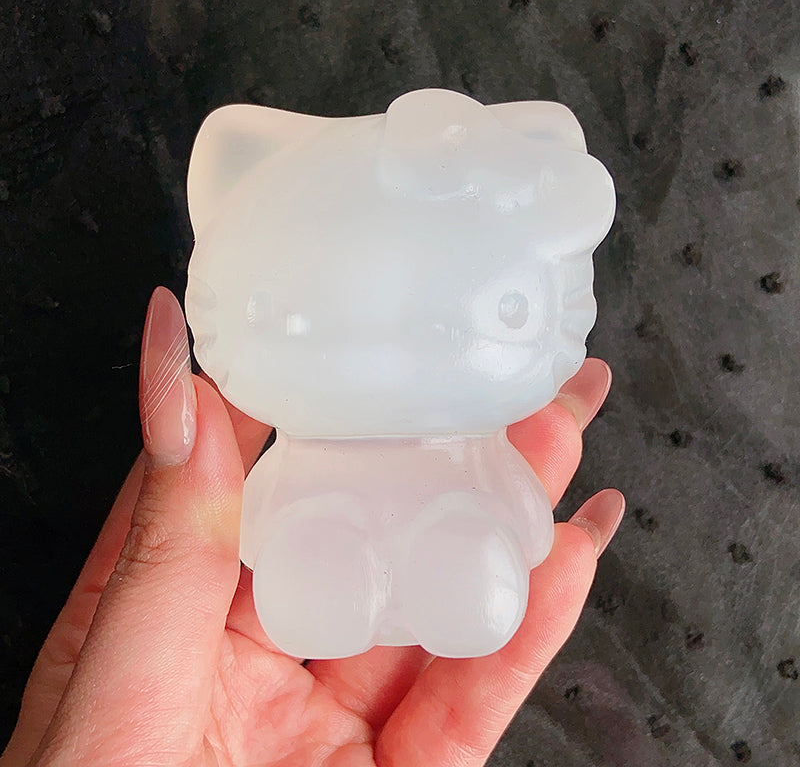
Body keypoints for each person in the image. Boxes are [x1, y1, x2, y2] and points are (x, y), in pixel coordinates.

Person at [1, 287, 625, 767]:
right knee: (321, 550)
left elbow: (525, 523)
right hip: (324, 519)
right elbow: (245, 531)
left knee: (458, 555)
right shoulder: (303, 424)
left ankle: (445, 570)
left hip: (448, 506)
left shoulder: (477, 433)